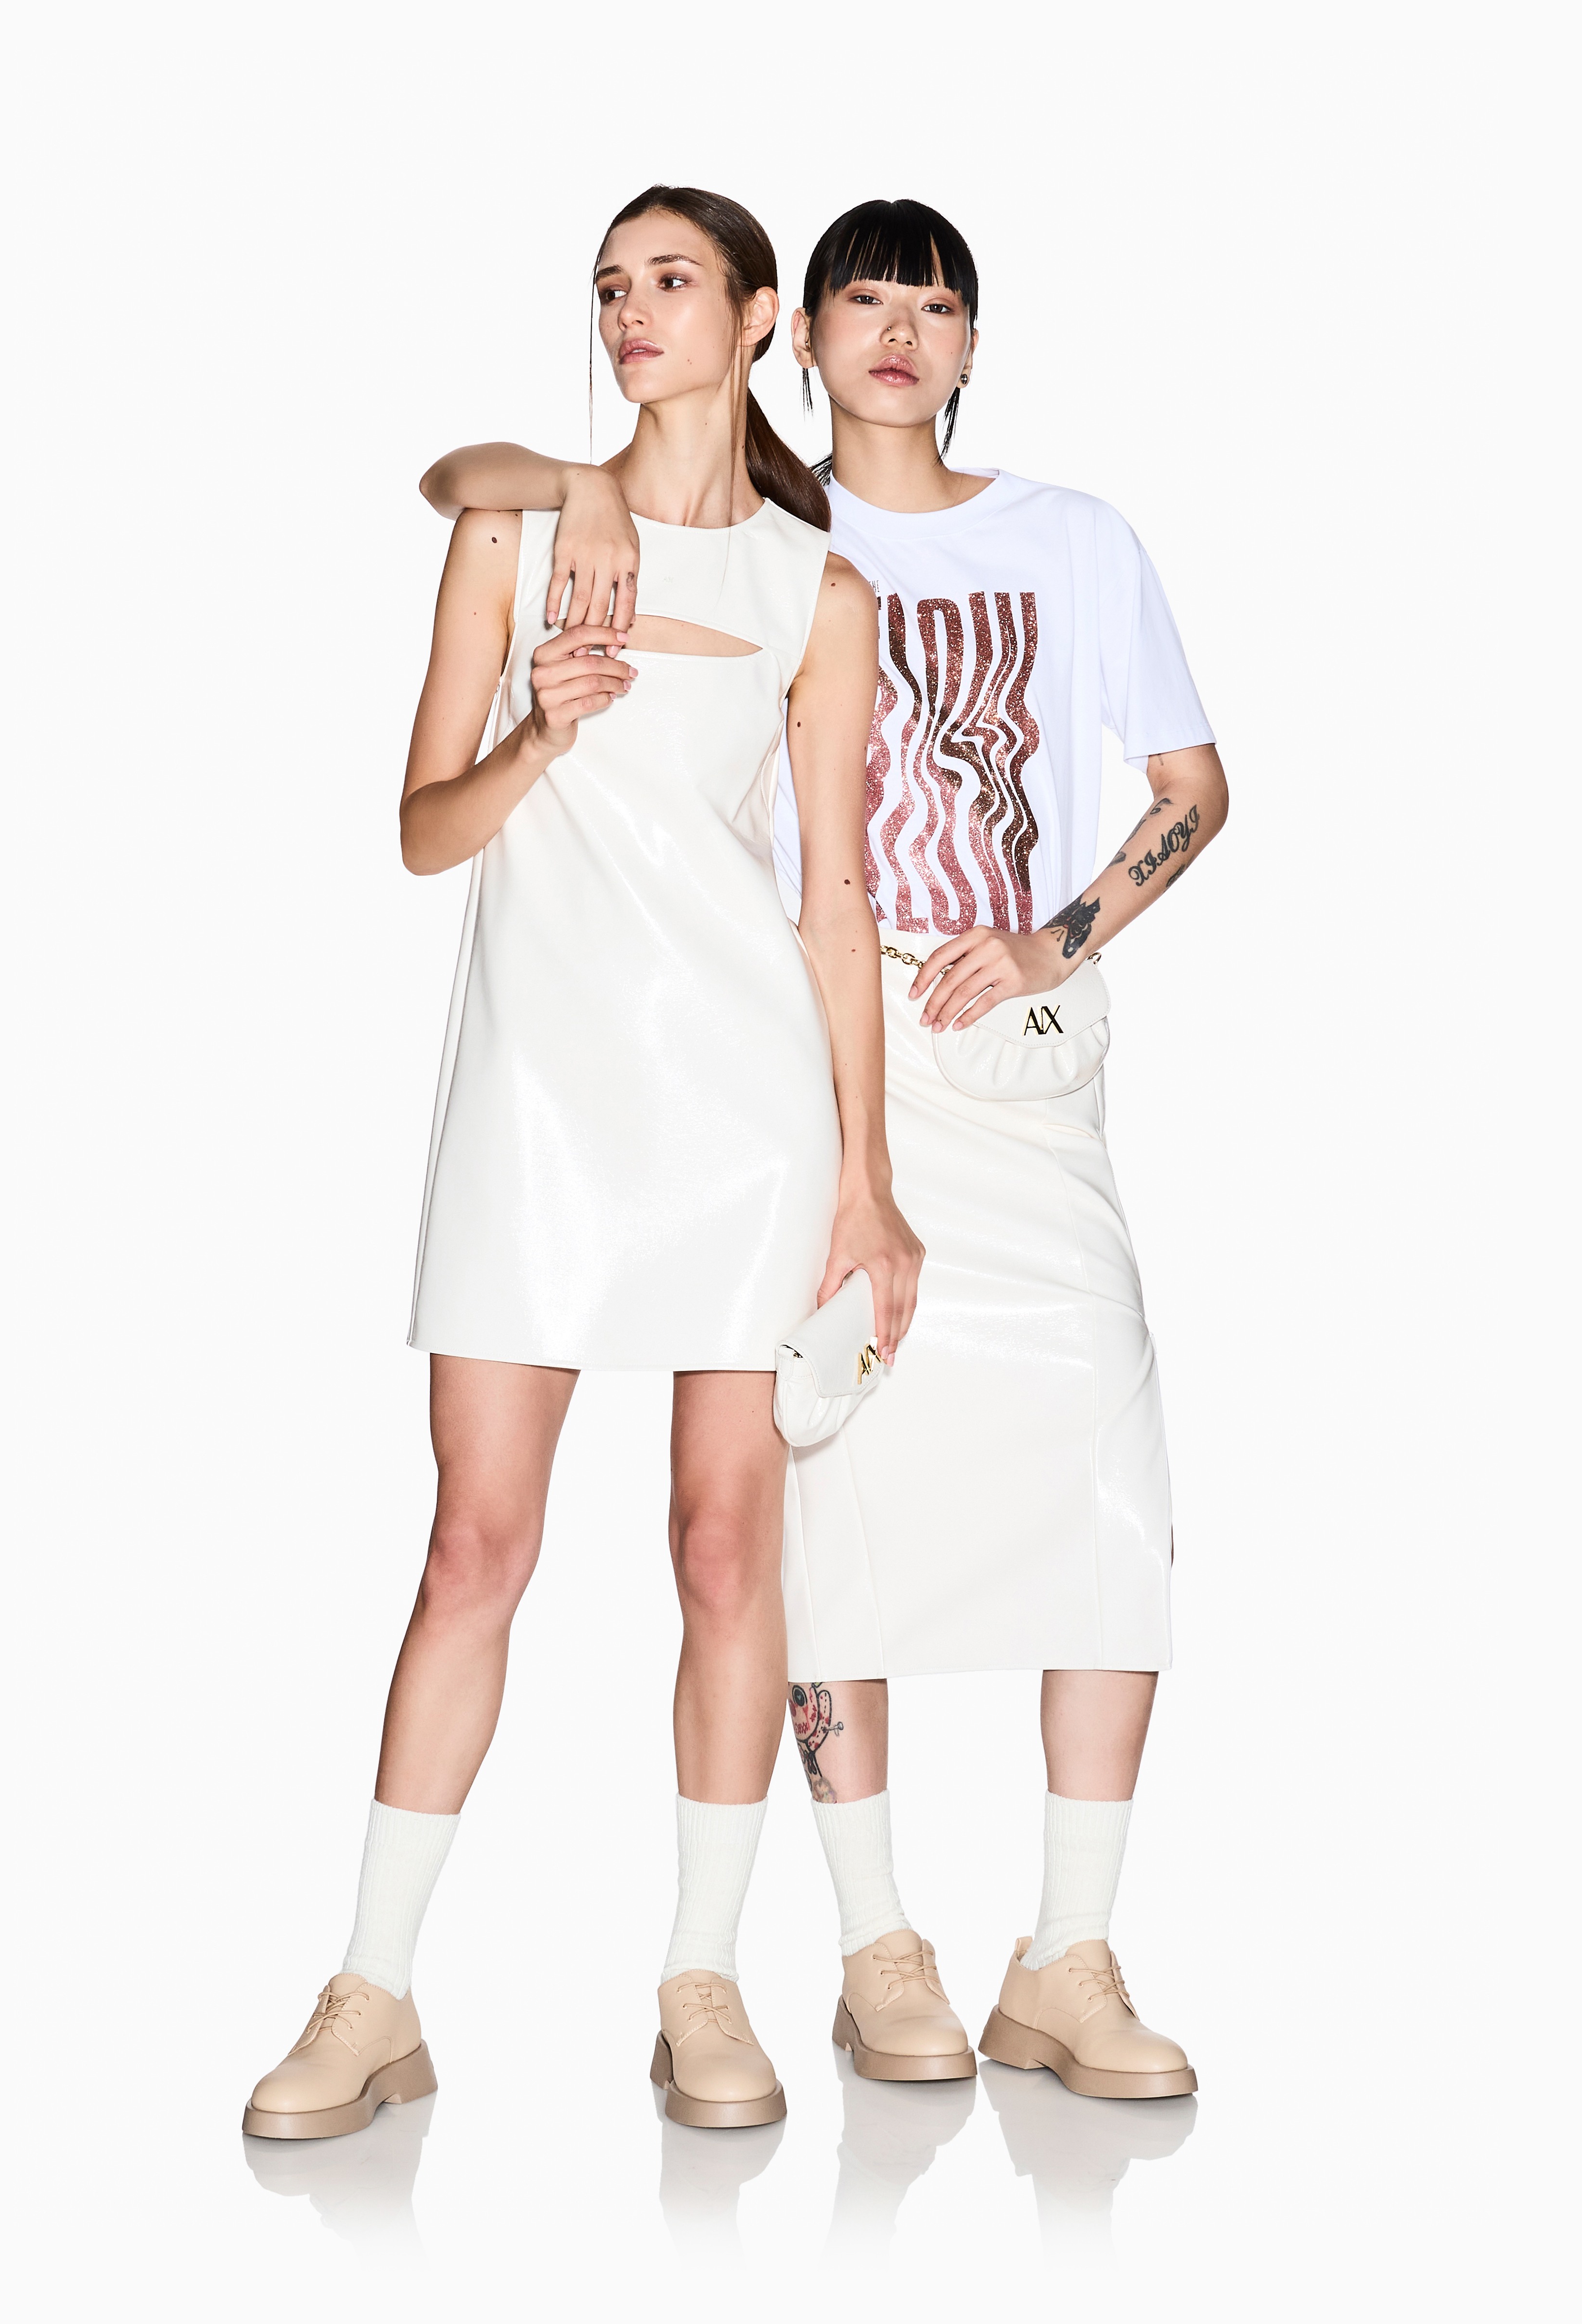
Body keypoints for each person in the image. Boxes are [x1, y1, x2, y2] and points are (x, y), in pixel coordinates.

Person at [418, 196, 1226, 2105]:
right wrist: (579, 488)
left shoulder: (1070, 540)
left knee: (1112, 1491)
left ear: (972, 345)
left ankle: (1073, 1950)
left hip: (995, 1053)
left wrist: (1060, 934)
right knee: (828, 1511)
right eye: (866, 301)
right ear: (801, 334)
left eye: (934, 307)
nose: (899, 334)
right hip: (778, 1047)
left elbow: (1191, 785)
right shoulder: (768, 537)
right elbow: (474, 484)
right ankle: (876, 1945)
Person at [244, 184, 922, 2143]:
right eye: (611, 286)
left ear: (761, 316)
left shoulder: (819, 590)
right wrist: (538, 729)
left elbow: (840, 902)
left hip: (747, 1111)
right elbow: (421, 835)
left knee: (727, 1550)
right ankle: (372, 1992)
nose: (633, 310)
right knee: (477, 1545)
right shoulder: (516, 529)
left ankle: (703, 1982)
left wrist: (868, 1184)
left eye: (673, 281)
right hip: (539, 1105)